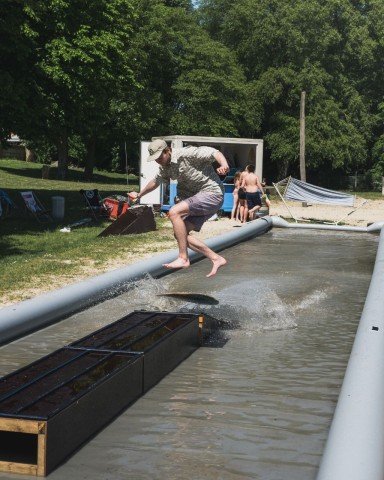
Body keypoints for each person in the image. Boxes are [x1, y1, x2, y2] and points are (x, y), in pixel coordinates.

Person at [129, 139, 229, 277]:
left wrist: (224, 164)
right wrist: (139, 195)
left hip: (212, 193)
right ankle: (216, 258)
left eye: (160, 157)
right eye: (155, 159)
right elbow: (155, 181)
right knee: (180, 235)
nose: (158, 161)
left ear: (168, 150)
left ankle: (183, 258)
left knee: (174, 212)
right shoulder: (165, 167)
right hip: (199, 200)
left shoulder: (186, 153)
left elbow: (214, 152)